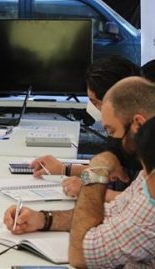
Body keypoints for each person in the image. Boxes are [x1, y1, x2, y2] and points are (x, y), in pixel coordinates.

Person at [3, 77, 155, 269]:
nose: (110, 140)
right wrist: (44, 219)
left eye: (111, 131)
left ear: (138, 124)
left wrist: (96, 170)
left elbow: (81, 256)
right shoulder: (152, 167)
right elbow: (115, 212)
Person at [31, 55, 141, 200]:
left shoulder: (147, 141)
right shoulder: (124, 136)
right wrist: (65, 169)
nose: (94, 109)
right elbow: (107, 174)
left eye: (95, 102)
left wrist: (92, 191)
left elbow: (147, 207)